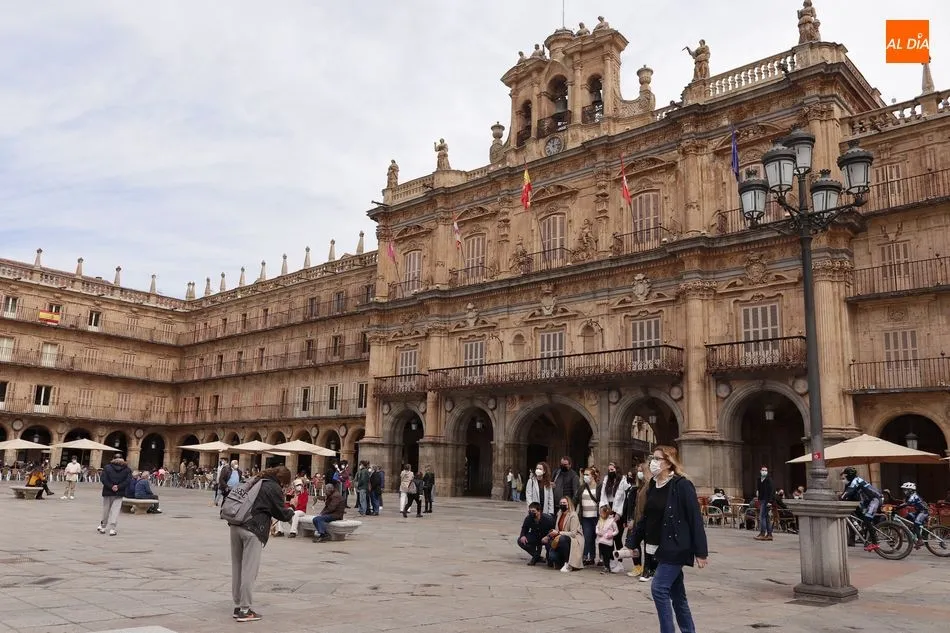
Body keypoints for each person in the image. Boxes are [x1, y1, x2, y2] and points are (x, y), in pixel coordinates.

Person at [630, 446, 708, 633]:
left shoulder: (682, 485)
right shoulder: (653, 485)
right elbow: (647, 518)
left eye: (657, 459)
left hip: (675, 546)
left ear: (669, 462)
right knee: (677, 595)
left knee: (658, 589)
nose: (653, 462)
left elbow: (694, 519)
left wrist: (701, 552)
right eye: (652, 458)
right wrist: (631, 543)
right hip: (657, 548)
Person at [229, 466, 294, 622]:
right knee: (249, 570)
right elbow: (280, 513)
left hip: (235, 525)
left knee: (237, 567)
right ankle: (245, 610)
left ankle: (238, 606)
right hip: (253, 530)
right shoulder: (273, 487)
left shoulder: (256, 480)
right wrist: (291, 511)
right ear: (283, 480)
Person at [840, 466, 884, 552]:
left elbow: (846, 493)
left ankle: (874, 543)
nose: (843, 478)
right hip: (868, 501)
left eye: (845, 476)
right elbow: (847, 494)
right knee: (860, 514)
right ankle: (866, 534)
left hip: (875, 499)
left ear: (849, 475)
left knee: (867, 519)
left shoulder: (855, 481)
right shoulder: (853, 481)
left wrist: (839, 498)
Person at [599, 461, 631, 555]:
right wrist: (603, 507)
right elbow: (603, 495)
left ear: (617, 470)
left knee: (617, 537)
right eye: (609, 470)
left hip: (617, 510)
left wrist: (618, 513)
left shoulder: (623, 480)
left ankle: (620, 560)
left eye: (612, 469)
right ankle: (610, 560)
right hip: (607, 508)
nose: (610, 471)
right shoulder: (606, 479)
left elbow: (624, 499)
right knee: (608, 537)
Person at [543, 497, 585, 572]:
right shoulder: (559, 513)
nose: (562, 504)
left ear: (568, 504)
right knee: (549, 542)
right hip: (560, 537)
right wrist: (549, 535)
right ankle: (557, 561)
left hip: (574, 539)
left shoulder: (573, 515)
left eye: (564, 503)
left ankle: (567, 564)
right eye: (561, 503)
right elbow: (557, 529)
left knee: (563, 539)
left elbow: (573, 534)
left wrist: (558, 533)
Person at [99, 454, 131, 536]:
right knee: (115, 510)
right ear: (122, 459)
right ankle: (112, 529)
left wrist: (111, 486)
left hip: (108, 491)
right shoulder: (127, 469)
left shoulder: (107, 467)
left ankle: (103, 527)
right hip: (119, 493)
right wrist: (118, 486)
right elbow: (128, 481)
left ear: (113, 459)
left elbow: (103, 479)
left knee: (106, 509)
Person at [575, 466, 600, 566]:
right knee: (588, 537)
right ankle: (587, 556)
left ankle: (599, 558)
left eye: (587, 474)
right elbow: (576, 499)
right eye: (584, 474)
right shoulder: (582, 487)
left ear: (593, 476)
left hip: (597, 516)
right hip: (585, 517)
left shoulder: (599, 487)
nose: (585, 476)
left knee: (598, 537)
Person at [895, 482, 929, 548]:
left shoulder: (914, 495)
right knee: (907, 517)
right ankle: (914, 536)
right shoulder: (909, 496)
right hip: (918, 512)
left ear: (910, 490)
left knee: (916, 523)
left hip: (923, 512)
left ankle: (920, 540)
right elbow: (904, 503)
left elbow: (907, 504)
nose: (904, 491)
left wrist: (897, 507)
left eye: (906, 490)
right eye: (904, 490)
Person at [595, 505, 619, 574]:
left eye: (601, 512)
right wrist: (597, 532)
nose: (600, 514)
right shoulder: (600, 520)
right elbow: (597, 527)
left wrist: (611, 534)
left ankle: (608, 566)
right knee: (602, 553)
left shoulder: (611, 521)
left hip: (608, 541)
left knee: (607, 554)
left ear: (606, 513)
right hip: (601, 540)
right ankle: (606, 565)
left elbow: (616, 531)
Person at [754, 465, 775, 541]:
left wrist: (770, 501)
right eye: (763, 470)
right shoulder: (759, 479)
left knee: (762, 516)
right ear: (760, 471)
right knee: (766, 517)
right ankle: (769, 534)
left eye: (765, 470)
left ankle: (762, 533)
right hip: (762, 499)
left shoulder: (769, 479)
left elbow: (772, 491)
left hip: (767, 500)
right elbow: (759, 490)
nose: (764, 471)